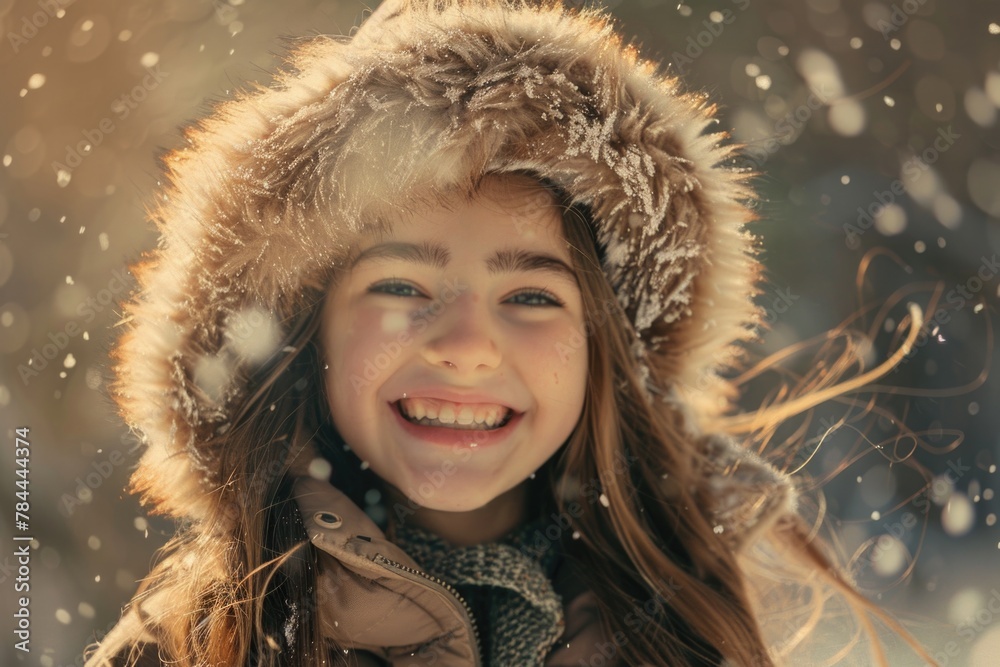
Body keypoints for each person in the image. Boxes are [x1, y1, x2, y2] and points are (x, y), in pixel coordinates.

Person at [85, 0, 933, 665]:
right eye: (402, 284)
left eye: (530, 296)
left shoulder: (681, 623)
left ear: (604, 348)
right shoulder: (201, 644)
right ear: (311, 331)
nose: (465, 344)